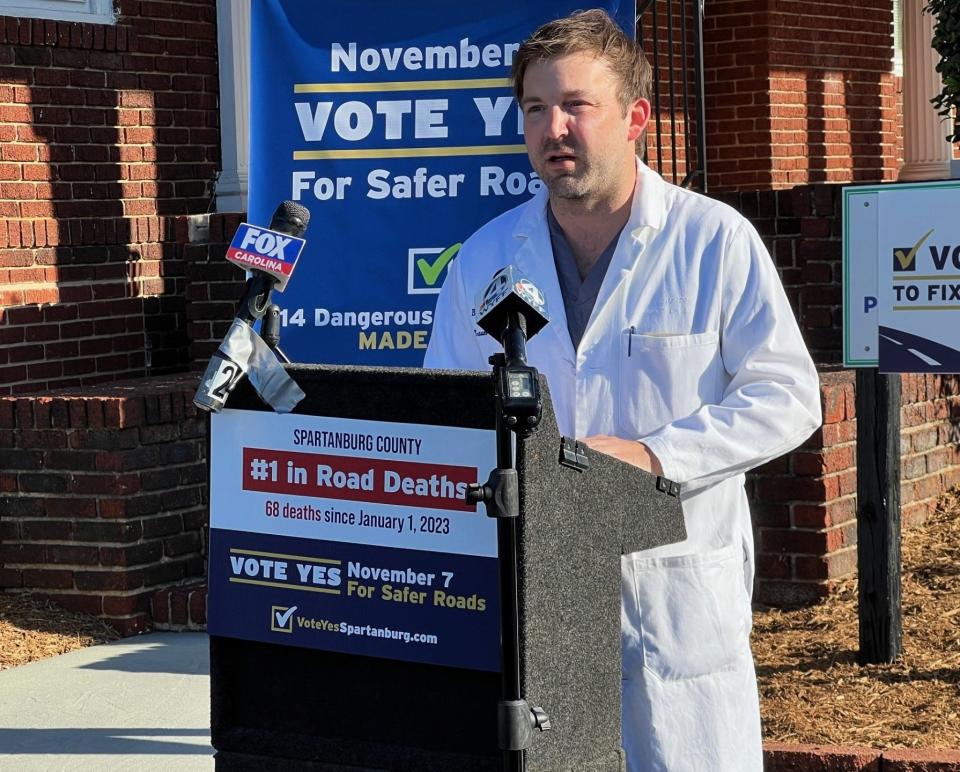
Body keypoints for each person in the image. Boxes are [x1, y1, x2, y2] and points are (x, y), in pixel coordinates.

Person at [424, 9, 821, 772]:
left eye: (576, 105)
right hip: (540, 597)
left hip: (673, 589)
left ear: (636, 117)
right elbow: (448, 414)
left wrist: (653, 455)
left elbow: (786, 394)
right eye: (535, 109)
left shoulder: (711, 240)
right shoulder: (483, 260)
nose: (553, 129)